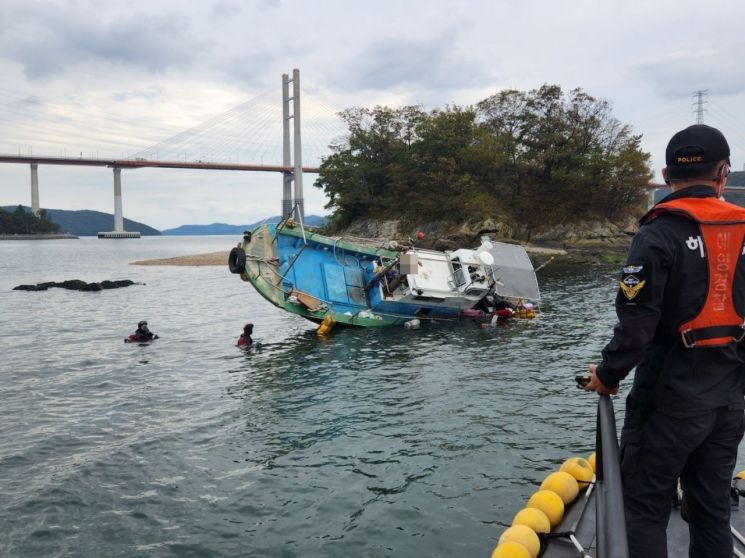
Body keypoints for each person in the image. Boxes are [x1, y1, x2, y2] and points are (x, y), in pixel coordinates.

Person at [584, 124, 745, 558]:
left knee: (643, 507)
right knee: (712, 509)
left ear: (666, 174)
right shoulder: (744, 231)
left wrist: (607, 374)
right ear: (723, 172)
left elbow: (636, 328)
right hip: (728, 403)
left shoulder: (656, 234)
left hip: (667, 405)